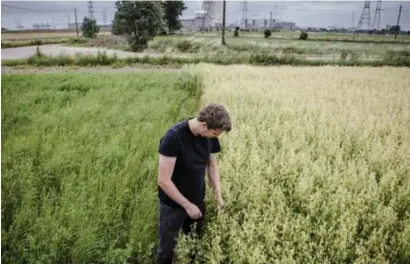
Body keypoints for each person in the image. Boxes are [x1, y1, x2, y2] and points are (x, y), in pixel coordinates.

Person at [156, 103, 232, 264]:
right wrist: (186, 205)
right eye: (214, 133)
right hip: (173, 206)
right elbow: (163, 180)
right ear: (204, 125)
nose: (215, 137)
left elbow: (212, 165)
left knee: (195, 247)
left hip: (198, 201)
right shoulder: (173, 138)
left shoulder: (210, 137)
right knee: (166, 251)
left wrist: (218, 195)